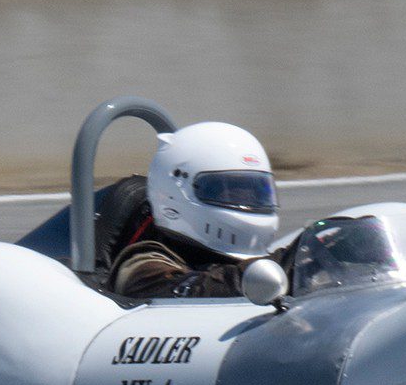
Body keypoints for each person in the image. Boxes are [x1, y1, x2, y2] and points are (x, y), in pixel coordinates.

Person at [107, 122, 278, 299]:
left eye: (258, 192)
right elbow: (198, 290)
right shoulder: (142, 267)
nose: (247, 199)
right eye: (230, 191)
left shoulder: (249, 261)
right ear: (175, 193)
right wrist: (279, 266)